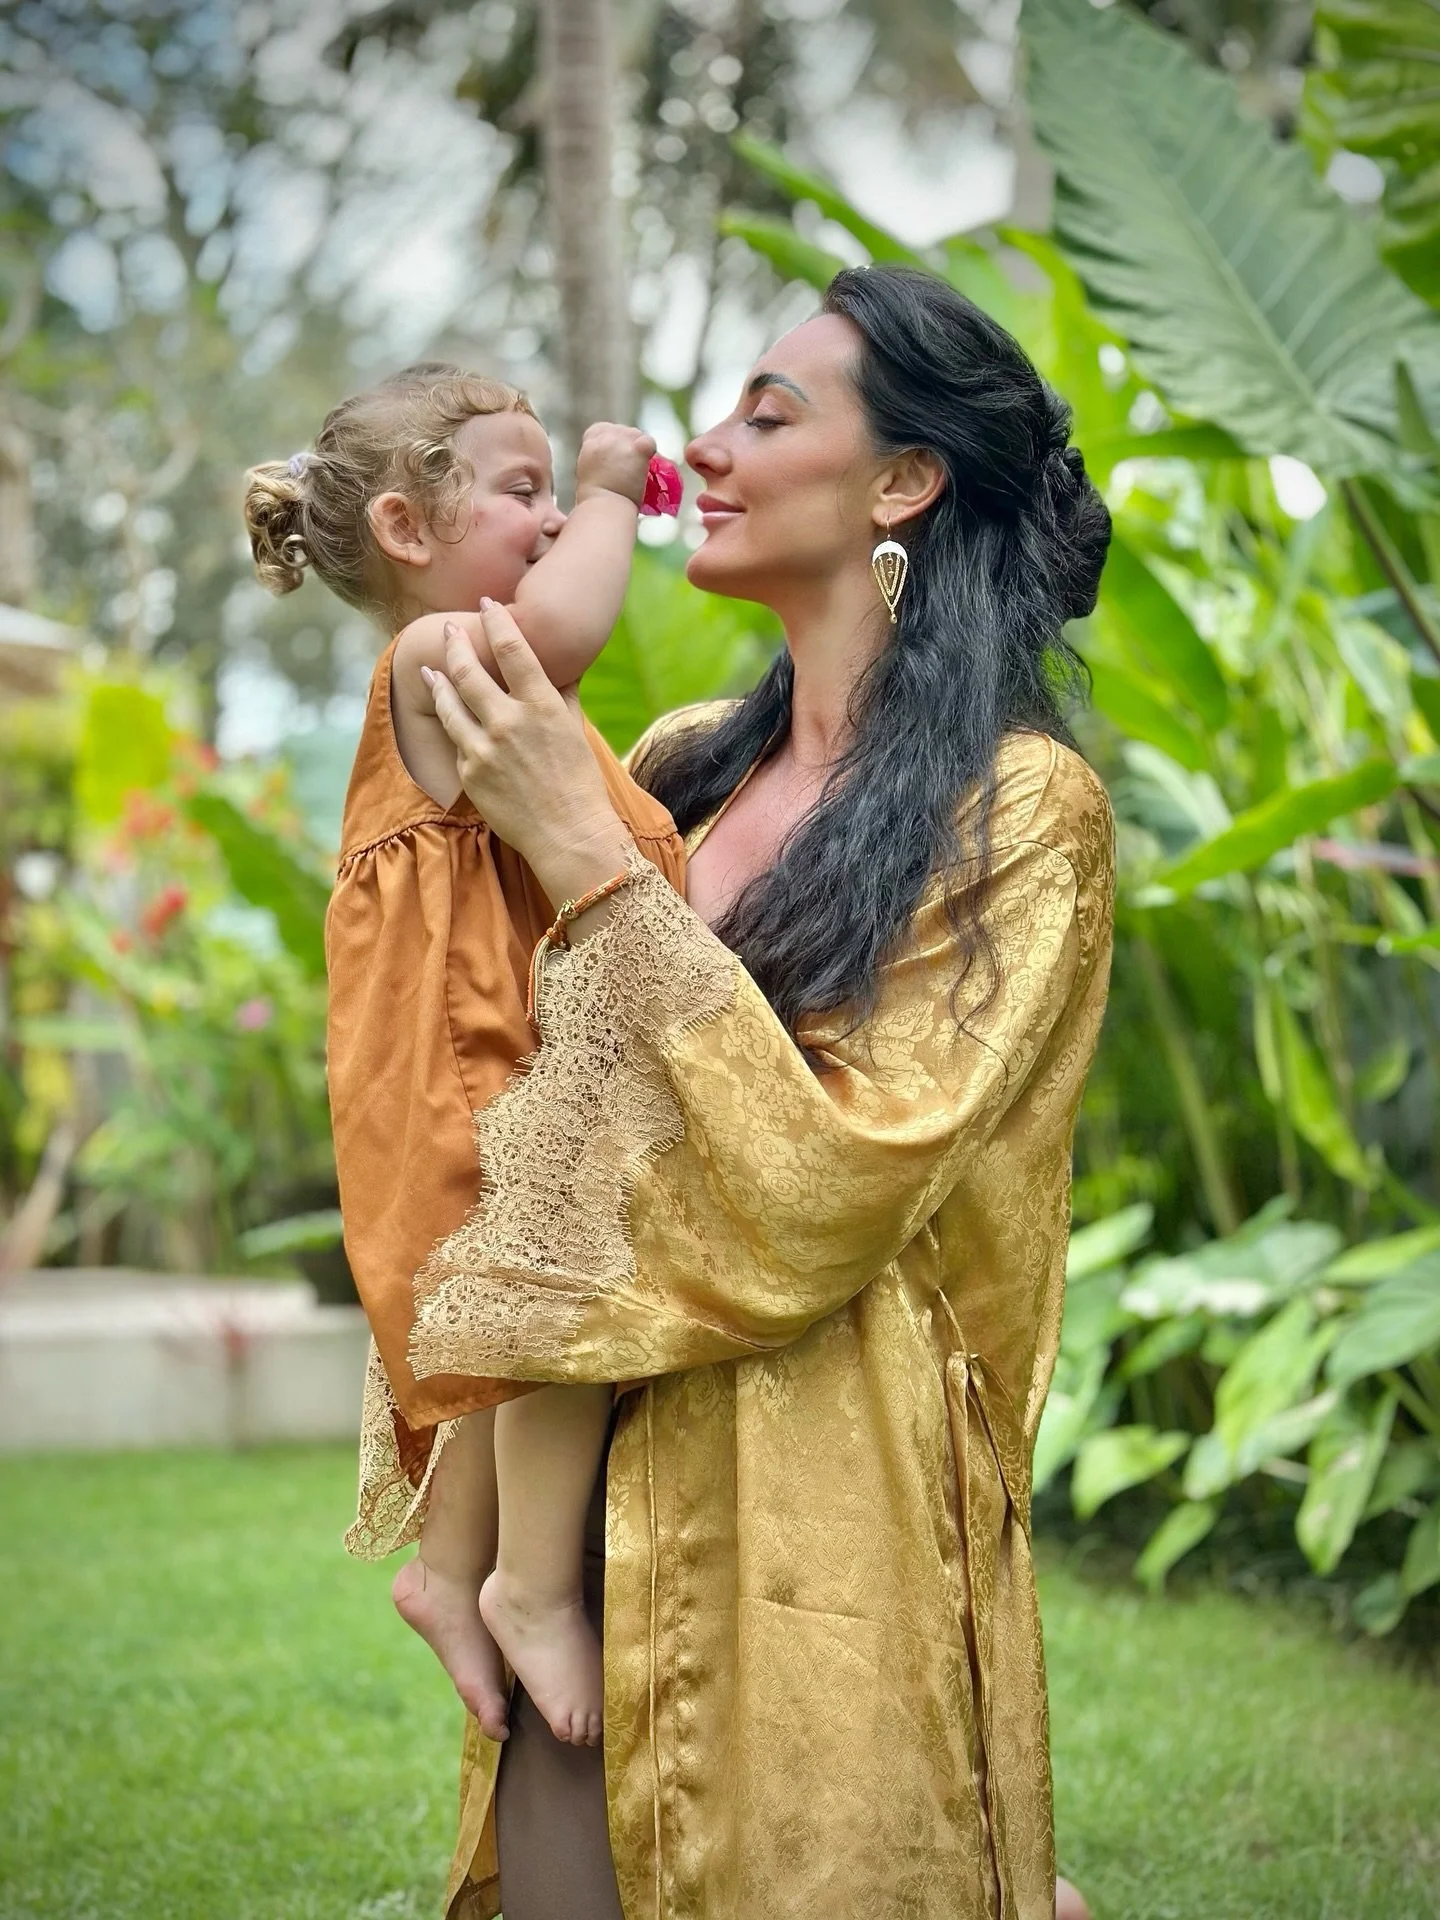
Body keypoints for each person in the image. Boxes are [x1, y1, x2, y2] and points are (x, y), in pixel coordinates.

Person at [350, 265, 1114, 1920]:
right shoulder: (685, 763)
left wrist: (578, 848)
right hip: (578, 1467)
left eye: (769, 416)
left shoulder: (1020, 807)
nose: (704, 445)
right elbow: (519, 1078)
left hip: (819, 1507)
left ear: (902, 483)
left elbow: (837, 1177)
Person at [243, 366, 687, 1751]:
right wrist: (613, 492)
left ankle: (447, 1571)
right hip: (465, 1049)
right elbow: (563, 631)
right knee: (557, 1312)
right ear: (405, 529)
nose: (551, 519)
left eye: (557, 492)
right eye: (521, 490)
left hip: (498, 1039)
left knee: (509, 1327)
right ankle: (527, 1588)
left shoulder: (456, 672)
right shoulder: (441, 656)